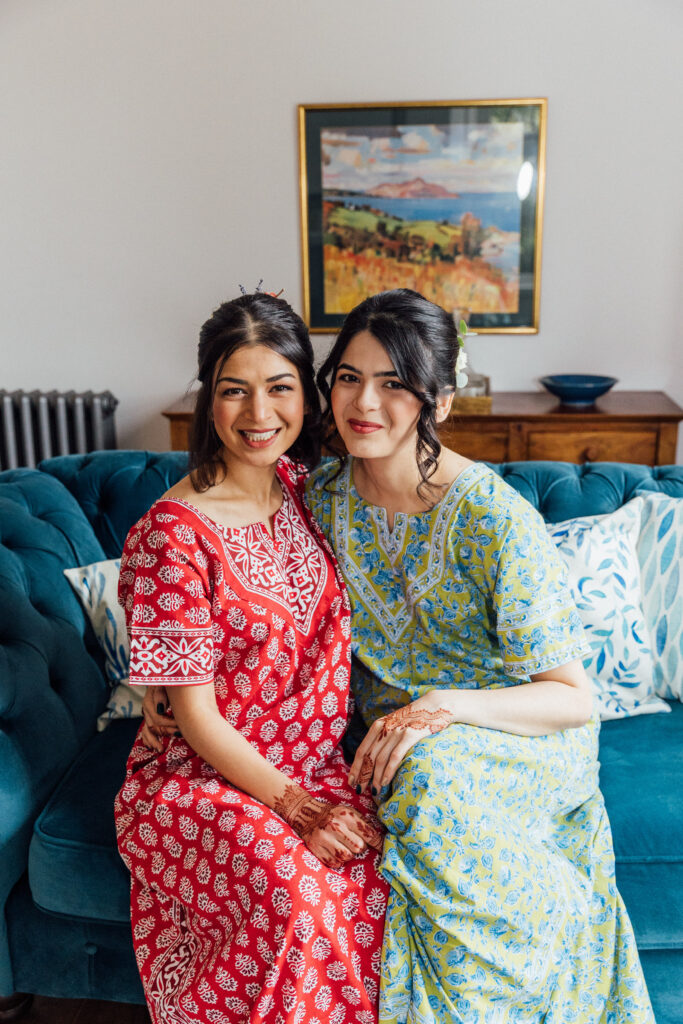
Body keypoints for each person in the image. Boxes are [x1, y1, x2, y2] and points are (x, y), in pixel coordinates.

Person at [302, 289, 654, 1023]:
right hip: (400, 744)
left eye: (394, 383)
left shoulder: (493, 518)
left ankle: (536, 945)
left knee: (424, 776)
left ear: (440, 402)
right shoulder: (320, 496)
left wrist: (443, 707)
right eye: (347, 376)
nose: (364, 402)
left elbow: (570, 699)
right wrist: (167, 685)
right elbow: (224, 542)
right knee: (417, 771)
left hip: (520, 737)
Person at [114, 292, 387, 1024]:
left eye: (280, 388)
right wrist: (296, 808)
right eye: (234, 390)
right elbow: (195, 718)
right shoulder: (173, 534)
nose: (257, 413)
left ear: (308, 395)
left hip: (318, 765)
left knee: (389, 878)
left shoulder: (308, 491)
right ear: (209, 400)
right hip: (199, 782)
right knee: (297, 897)